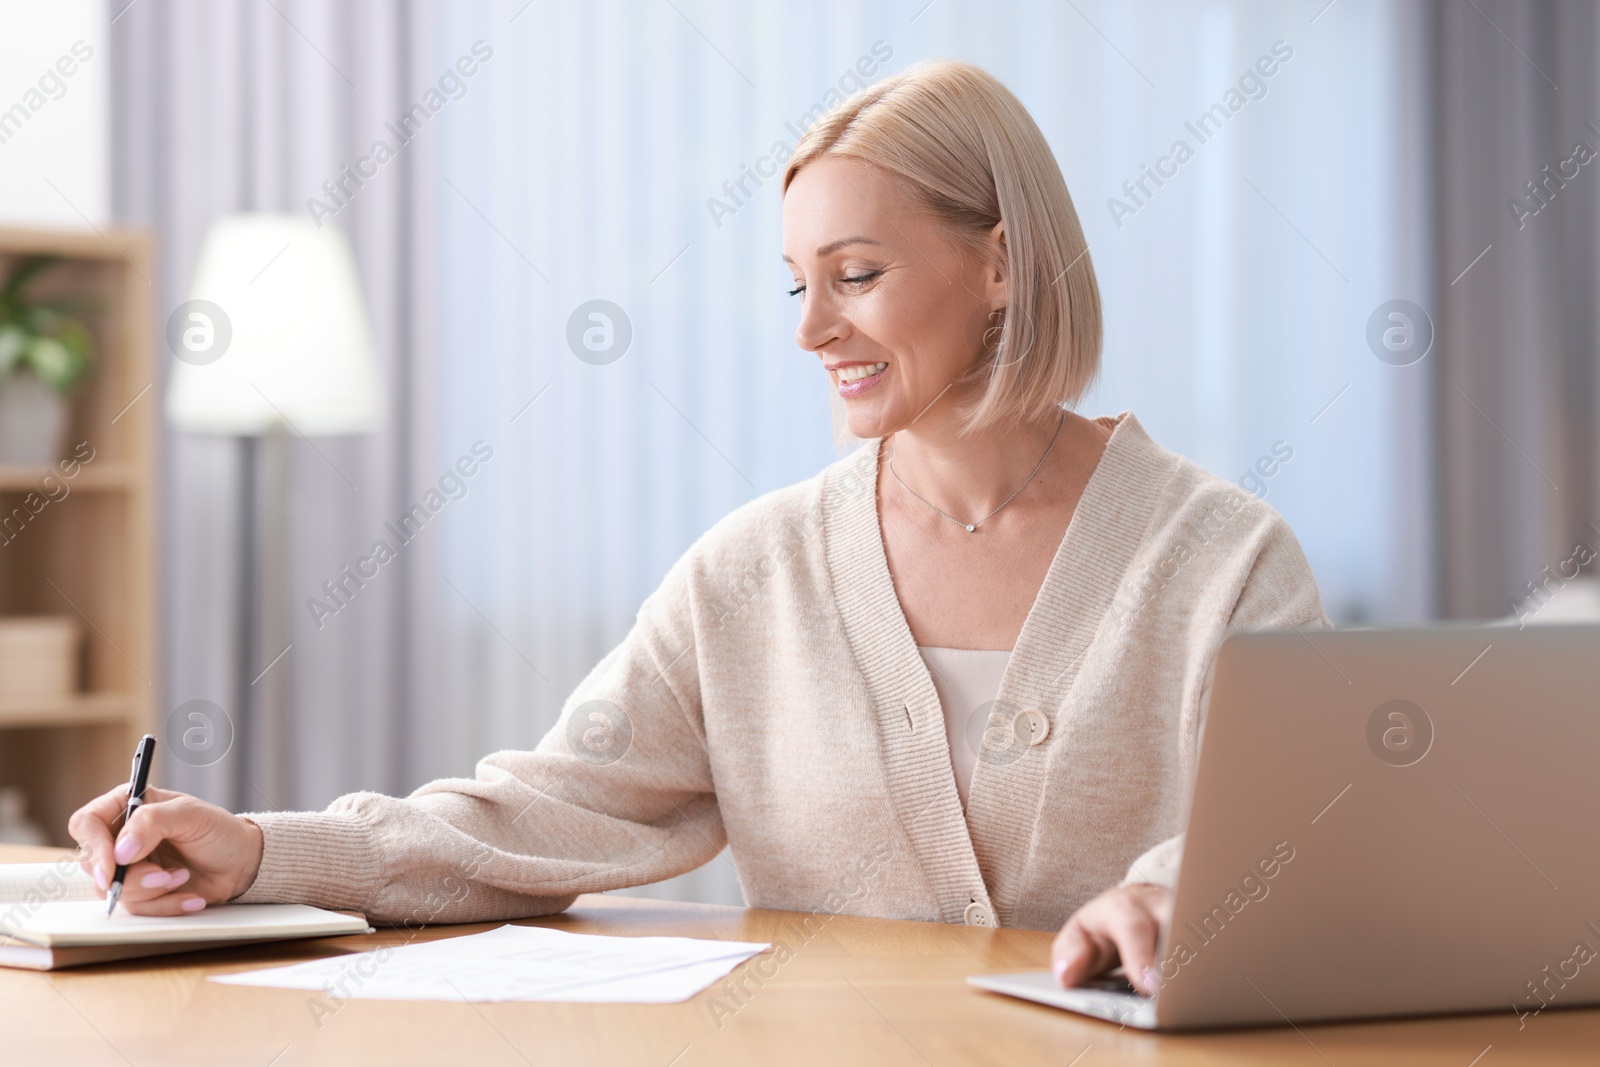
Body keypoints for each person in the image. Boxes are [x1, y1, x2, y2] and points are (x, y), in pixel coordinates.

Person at [69, 58, 1326, 996]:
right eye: (797, 283)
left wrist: (1163, 900)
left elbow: (1292, 832)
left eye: (858, 273)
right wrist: (264, 848)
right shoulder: (752, 571)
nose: (811, 329)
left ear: (999, 262)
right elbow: (542, 810)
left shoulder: (1221, 558)